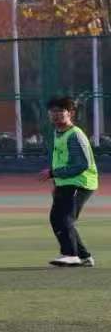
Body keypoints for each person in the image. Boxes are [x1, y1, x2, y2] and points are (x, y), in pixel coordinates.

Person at [39, 96, 98, 267]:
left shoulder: (74, 135)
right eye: (52, 111)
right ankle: (83, 256)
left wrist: (53, 173)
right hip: (65, 182)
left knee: (63, 218)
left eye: (60, 111)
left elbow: (82, 164)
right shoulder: (58, 133)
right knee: (59, 218)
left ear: (70, 113)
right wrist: (56, 182)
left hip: (80, 182)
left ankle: (70, 254)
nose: (55, 115)